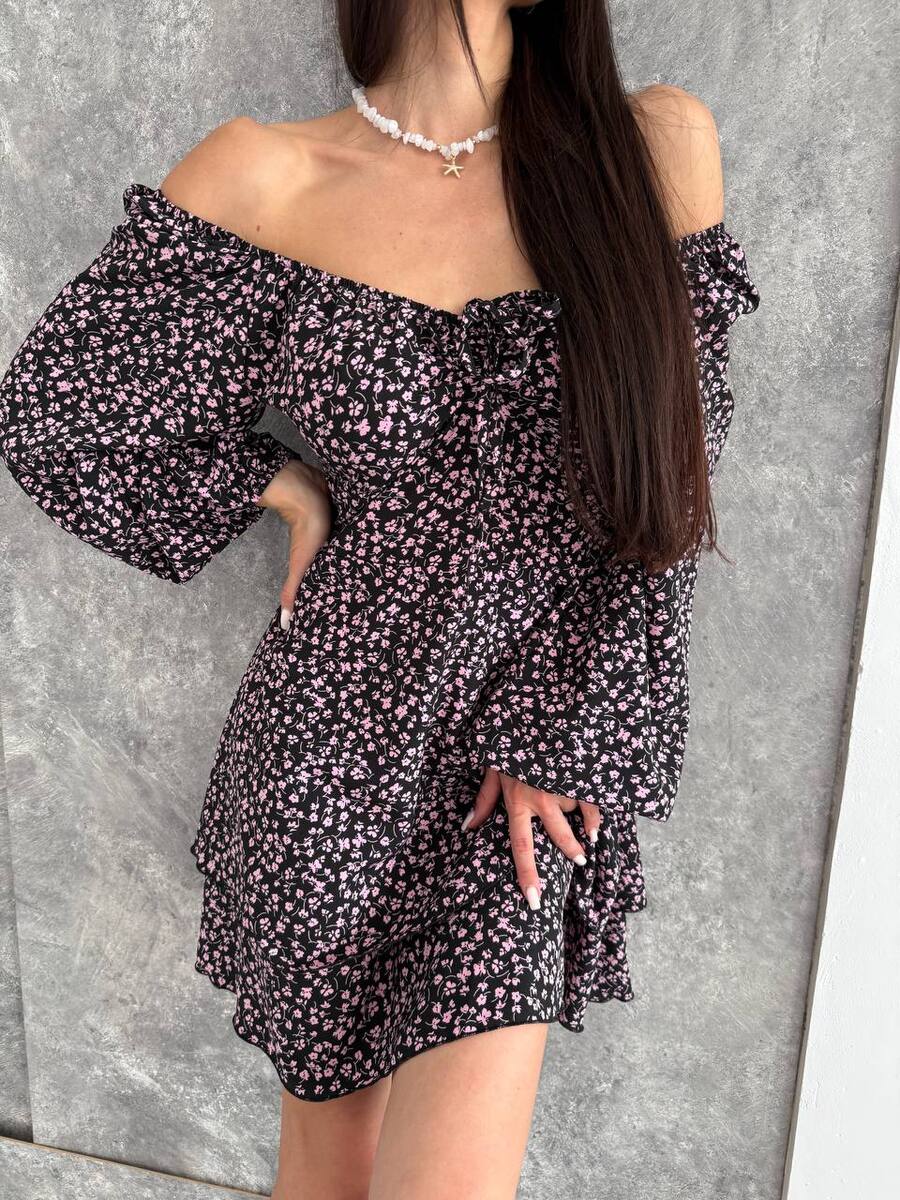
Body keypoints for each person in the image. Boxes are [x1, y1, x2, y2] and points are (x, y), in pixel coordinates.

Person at [0, 1, 760, 1197]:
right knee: (330, 1165)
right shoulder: (270, 173)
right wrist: (279, 487)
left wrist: (562, 734)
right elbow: (58, 415)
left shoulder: (650, 148)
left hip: (519, 763)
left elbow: (670, 492)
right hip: (330, 745)